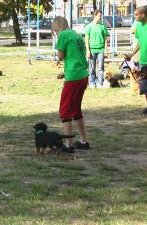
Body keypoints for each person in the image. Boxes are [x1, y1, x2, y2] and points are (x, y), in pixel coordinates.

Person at [52, 16, 90, 153]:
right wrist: (65, 72)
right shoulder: (76, 34)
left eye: (55, 31)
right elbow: (76, 56)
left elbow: (61, 56)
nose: (56, 34)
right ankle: (84, 141)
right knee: (76, 110)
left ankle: (68, 145)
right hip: (82, 75)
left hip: (74, 77)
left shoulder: (63, 35)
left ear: (57, 28)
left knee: (65, 111)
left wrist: (68, 73)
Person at [126, 6, 147, 114]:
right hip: (143, 60)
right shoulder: (138, 26)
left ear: (143, 15)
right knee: (144, 85)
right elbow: (139, 42)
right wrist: (132, 54)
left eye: (136, 14)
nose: (135, 17)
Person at [84, 10, 109, 88]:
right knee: (92, 68)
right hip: (92, 50)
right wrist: (88, 50)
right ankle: (92, 82)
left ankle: (99, 82)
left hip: (101, 50)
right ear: (95, 16)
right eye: (99, 15)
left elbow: (105, 38)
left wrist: (106, 49)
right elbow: (86, 39)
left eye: (101, 15)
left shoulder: (102, 26)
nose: (100, 17)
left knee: (100, 67)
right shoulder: (88, 27)